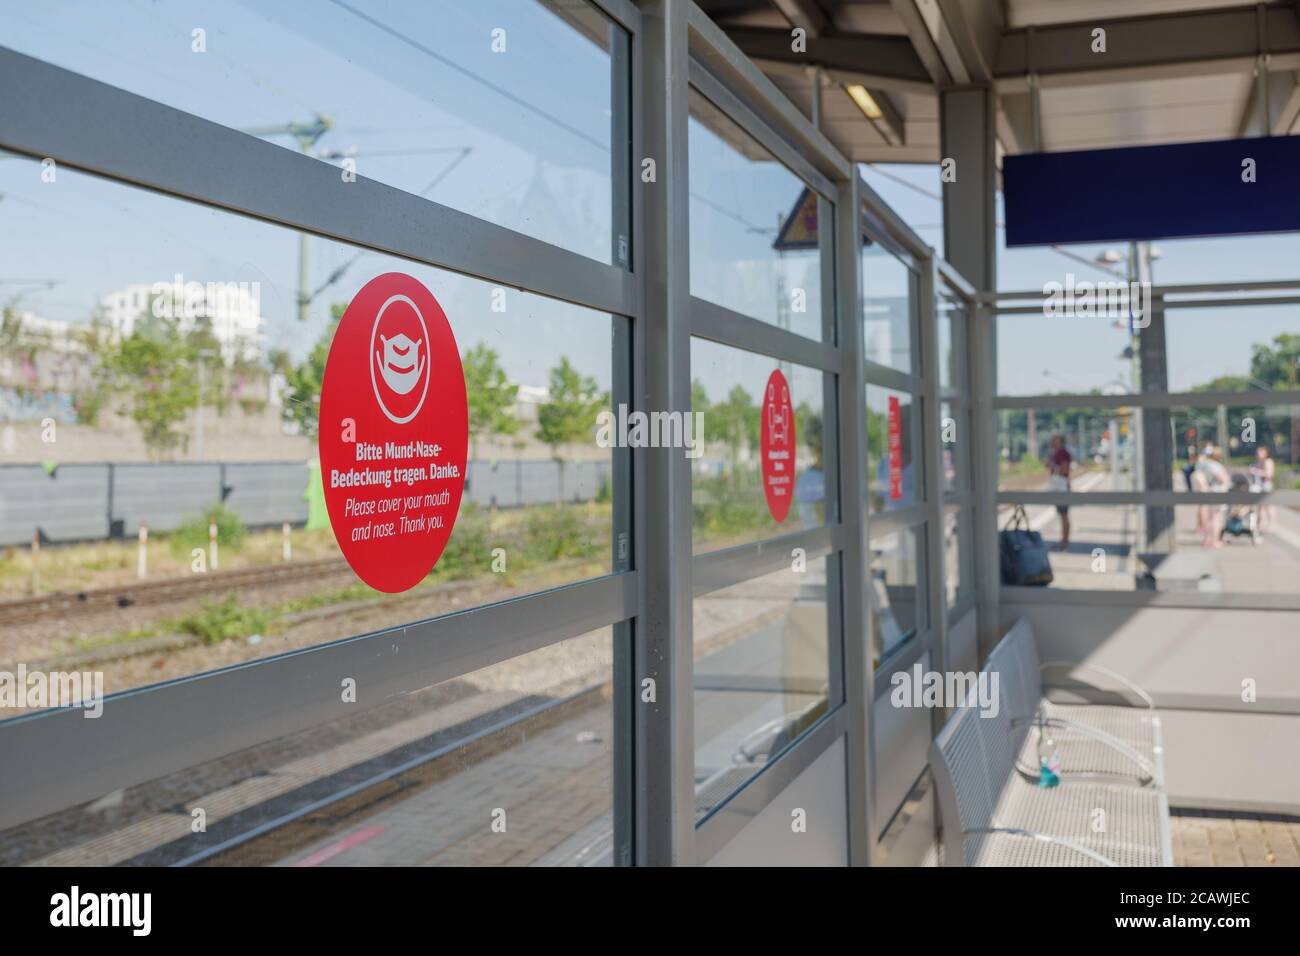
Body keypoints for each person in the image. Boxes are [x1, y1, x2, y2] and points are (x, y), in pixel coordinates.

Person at [1195, 443, 1231, 548]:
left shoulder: (1203, 464)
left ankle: (1207, 540)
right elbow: (1224, 480)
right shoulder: (1215, 465)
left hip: (1208, 492)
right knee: (1217, 518)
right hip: (1218, 492)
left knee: (1209, 519)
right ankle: (1215, 541)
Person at [1046, 434, 1071, 551]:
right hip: (1057, 485)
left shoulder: (1063, 453)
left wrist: (1054, 467)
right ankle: (1063, 540)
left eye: (1056, 441)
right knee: (1062, 515)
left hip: (1060, 486)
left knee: (1064, 515)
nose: (1054, 443)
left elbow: (1064, 469)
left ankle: (1065, 541)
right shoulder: (1055, 453)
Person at [1250, 445, 1276, 532]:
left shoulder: (1268, 461)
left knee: (1269, 506)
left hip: (1266, 486)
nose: (1258, 453)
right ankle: (1261, 524)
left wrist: (1256, 471)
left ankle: (1271, 524)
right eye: (1258, 452)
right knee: (1261, 507)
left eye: (1261, 452)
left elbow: (1269, 474)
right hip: (1259, 486)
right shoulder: (1258, 461)